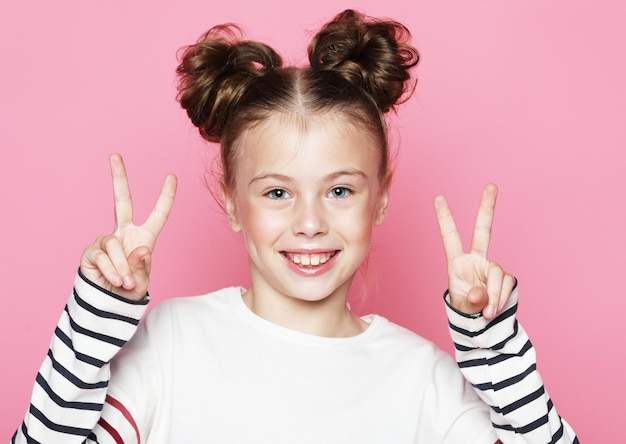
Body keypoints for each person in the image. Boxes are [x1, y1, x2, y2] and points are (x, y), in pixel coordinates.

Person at [12, 9, 578, 444]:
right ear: (234, 202)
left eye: (339, 190)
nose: (310, 223)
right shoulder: (172, 345)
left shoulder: (422, 380)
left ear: (378, 199)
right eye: (278, 193)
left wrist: (491, 345)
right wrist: (95, 320)